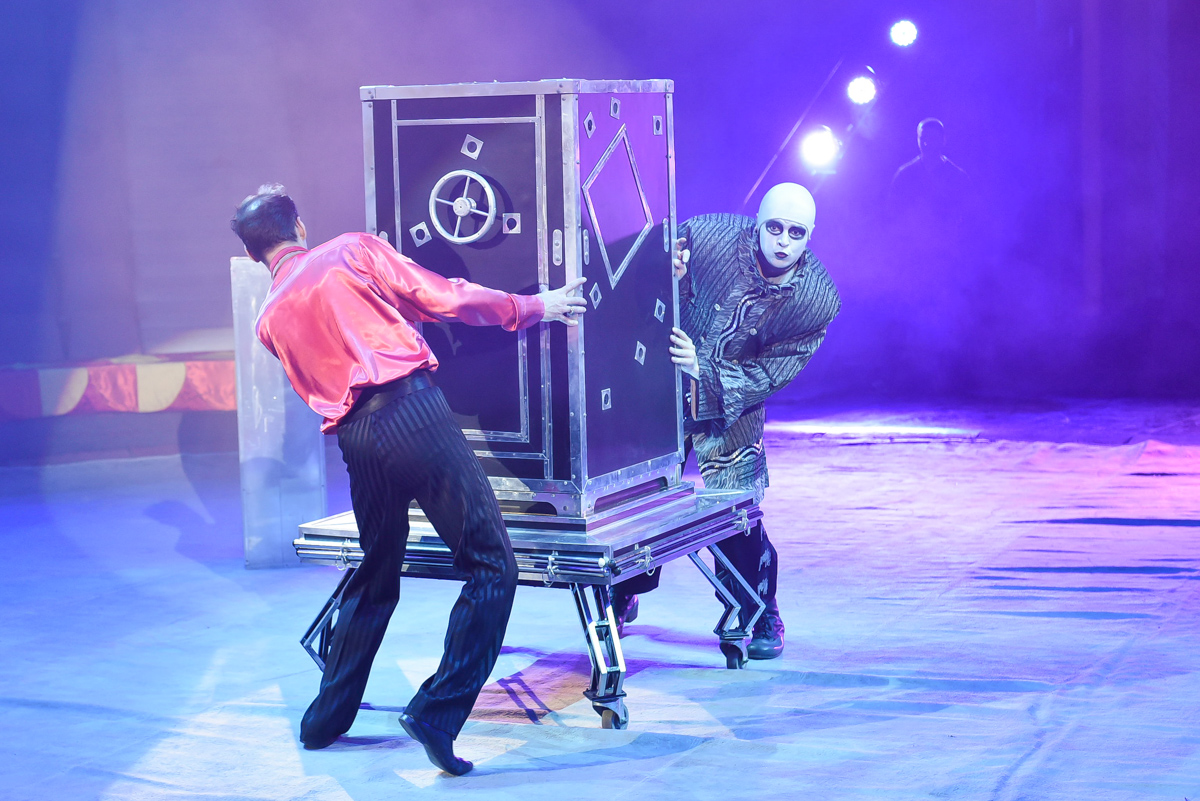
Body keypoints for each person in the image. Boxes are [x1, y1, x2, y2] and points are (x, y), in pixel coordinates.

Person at [231, 184, 586, 775]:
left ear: (251, 254)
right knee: (493, 566)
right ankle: (437, 713)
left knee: (374, 575)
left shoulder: (268, 320)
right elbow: (443, 296)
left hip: (355, 439)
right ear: (299, 227)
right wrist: (532, 307)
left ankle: (325, 719)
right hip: (412, 413)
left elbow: (329, 363)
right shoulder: (349, 250)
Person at [613, 182, 841, 660]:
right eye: (774, 228)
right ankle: (623, 591)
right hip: (660, 386)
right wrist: (668, 271)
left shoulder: (815, 299)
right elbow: (643, 272)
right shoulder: (708, 235)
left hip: (733, 402)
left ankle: (758, 610)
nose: (782, 241)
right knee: (640, 497)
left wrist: (706, 370)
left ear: (810, 236)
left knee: (736, 509)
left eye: (795, 232)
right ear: (758, 224)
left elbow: (773, 372)